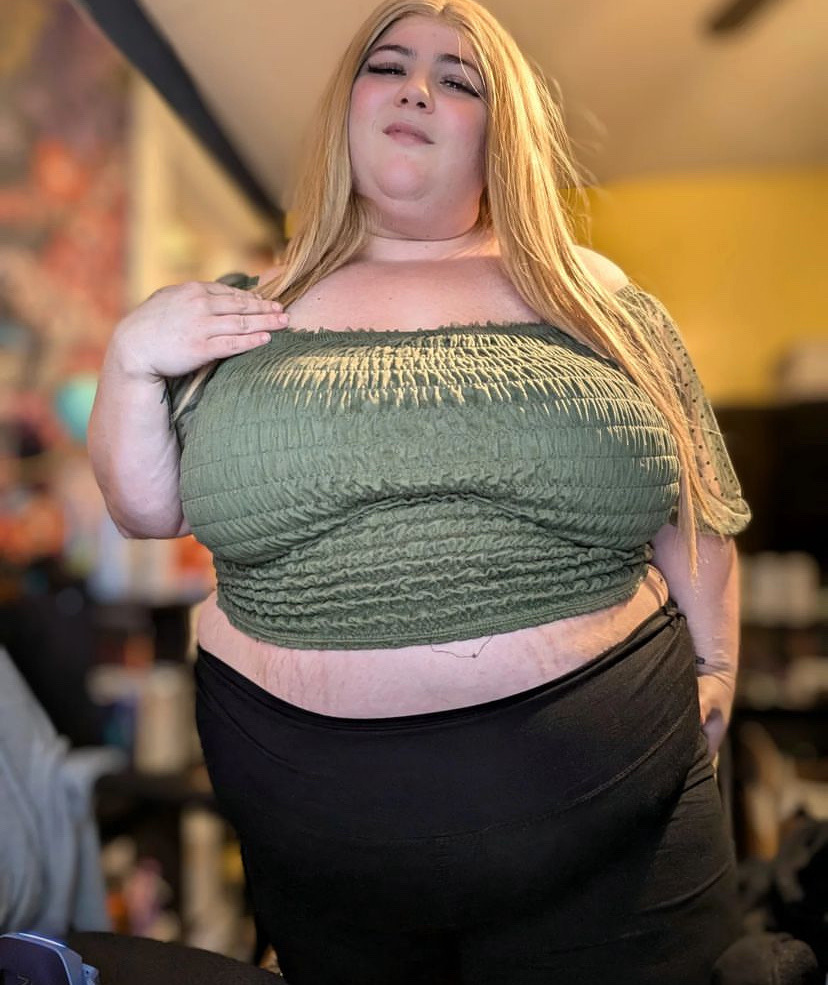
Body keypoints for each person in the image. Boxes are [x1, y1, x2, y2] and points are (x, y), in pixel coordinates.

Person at [88, 0, 751, 981]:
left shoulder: (596, 297)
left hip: (618, 833)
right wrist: (130, 356)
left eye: (458, 78)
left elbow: (697, 506)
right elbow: (147, 510)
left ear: (499, 136)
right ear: (347, 107)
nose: (416, 89)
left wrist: (720, 667)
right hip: (320, 854)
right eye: (388, 65)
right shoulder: (242, 308)